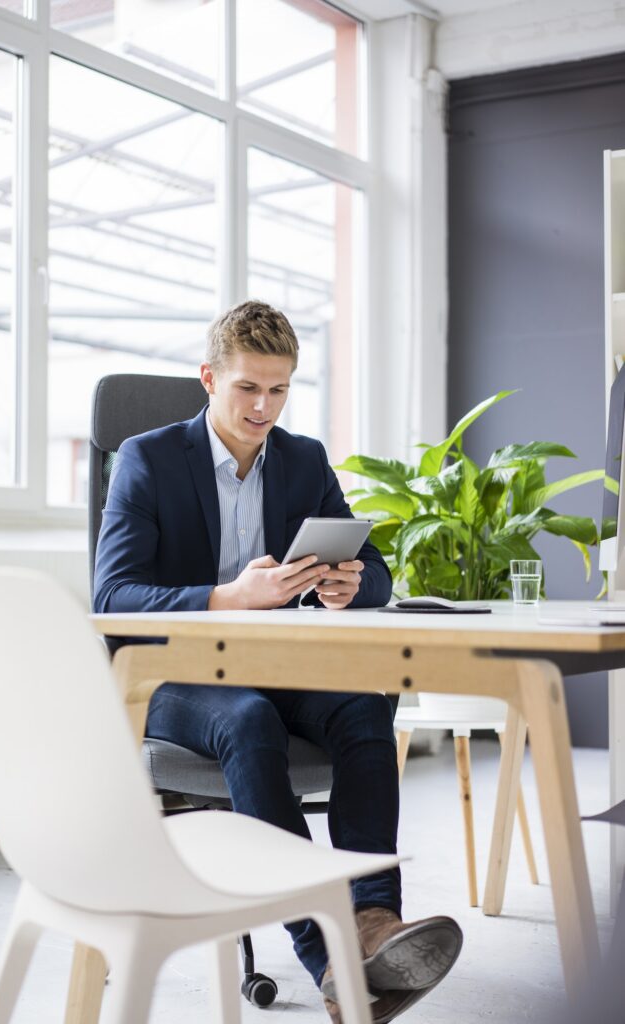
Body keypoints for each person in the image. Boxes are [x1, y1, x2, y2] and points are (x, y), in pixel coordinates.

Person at [93, 300, 463, 1022]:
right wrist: (231, 596)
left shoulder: (302, 459)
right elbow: (114, 592)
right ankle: (329, 955)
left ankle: (374, 920)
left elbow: (377, 571)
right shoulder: (147, 457)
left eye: (280, 389)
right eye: (248, 389)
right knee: (250, 721)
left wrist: (351, 585)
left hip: (276, 661)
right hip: (174, 674)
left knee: (363, 704)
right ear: (209, 378)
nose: (265, 407)